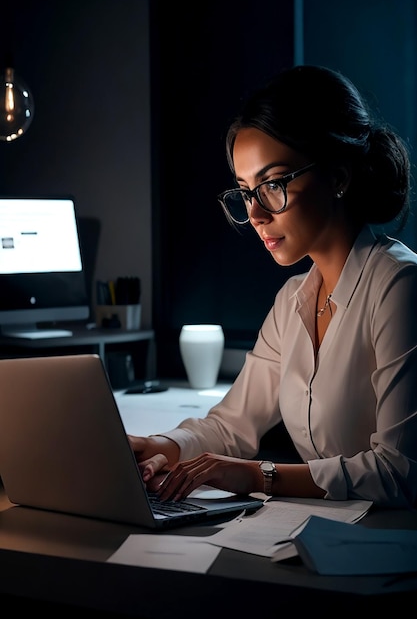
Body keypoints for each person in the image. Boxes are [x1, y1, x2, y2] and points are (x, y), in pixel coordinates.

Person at [129, 64, 417, 508]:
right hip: (320, 538)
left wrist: (256, 475)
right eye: (246, 191)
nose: (257, 214)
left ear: (338, 177)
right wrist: (163, 445)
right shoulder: (292, 302)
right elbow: (231, 425)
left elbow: (399, 471)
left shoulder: (399, 286)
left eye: (273, 184)